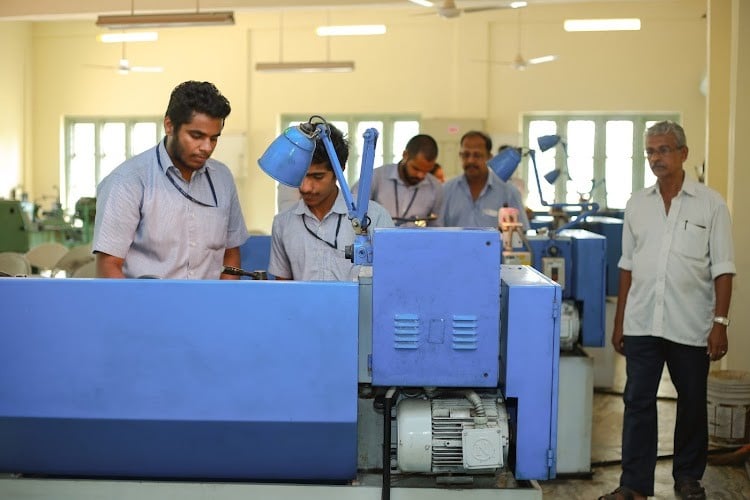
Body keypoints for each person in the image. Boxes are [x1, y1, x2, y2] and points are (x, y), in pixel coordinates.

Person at [600, 121, 735, 500]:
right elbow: (627, 266)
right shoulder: (636, 205)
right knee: (637, 402)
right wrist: (620, 319)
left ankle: (688, 479)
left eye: (663, 150)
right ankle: (633, 485)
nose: (656, 158)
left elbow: (724, 268)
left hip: (691, 324)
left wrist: (719, 324)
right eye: (650, 152)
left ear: (683, 154)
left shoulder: (711, 204)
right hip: (642, 321)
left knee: (691, 403)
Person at [92, 81, 248, 279]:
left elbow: (231, 253)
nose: (207, 147)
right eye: (196, 136)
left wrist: (220, 307)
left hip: (208, 307)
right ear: (169, 126)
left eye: (214, 138)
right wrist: (133, 309)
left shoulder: (222, 179)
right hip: (147, 307)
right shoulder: (127, 181)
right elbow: (109, 266)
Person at [268, 123, 394, 281]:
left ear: (339, 169)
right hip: (303, 307)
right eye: (301, 176)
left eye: (318, 177)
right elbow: (283, 288)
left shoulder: (375, 218)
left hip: (357, 306)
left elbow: (391, 279)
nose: (306, 187)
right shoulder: (283, 223)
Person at [437, 131, 529, 230]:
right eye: (466, 155)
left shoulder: (509, 192)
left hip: (497, 246)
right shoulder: (446, 190)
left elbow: (522, 233)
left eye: (477, 155)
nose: (470, 160)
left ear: (489, 157)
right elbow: (437, 231)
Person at [352, 134, 442, 227]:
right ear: (405, 155)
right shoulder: (376, 177)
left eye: (426, 171)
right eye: (416, 169)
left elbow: (436, 227)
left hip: (415, 241)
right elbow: (354, 208)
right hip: (377, 240)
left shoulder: (435, 188)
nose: (421, 176)